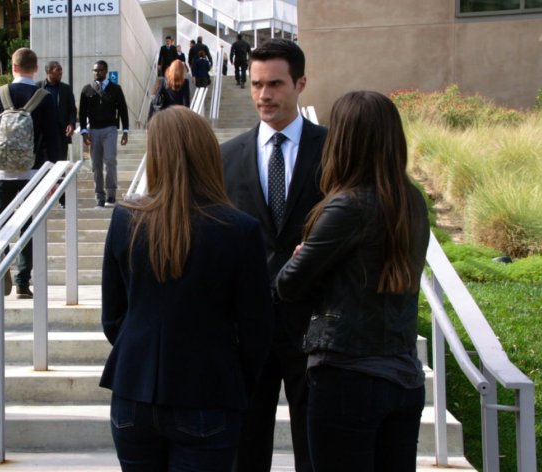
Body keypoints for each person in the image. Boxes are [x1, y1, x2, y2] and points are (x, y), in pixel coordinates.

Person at [100, 106, 273, 472]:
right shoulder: (240, 229)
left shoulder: (125, 219)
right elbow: (257, 329)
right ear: (208, 153)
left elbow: (113, 318)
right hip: (209, 390)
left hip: (134, 391)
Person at [275, 90, 429, 472]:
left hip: (347, 377)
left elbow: (288, 284)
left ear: (344, 140)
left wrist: (299, 256)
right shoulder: (412, 201)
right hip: (403, 375)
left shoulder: (349, 206)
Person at [220, 38, 326, 472]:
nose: (264, 95)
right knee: (247, 446)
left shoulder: (333, 150)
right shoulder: (227, 156)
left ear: (300, 83)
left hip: (314, 325)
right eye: (257, 84)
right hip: (247, 327)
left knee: (314, 444)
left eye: (276, 84)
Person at [0, 47, 61, 299]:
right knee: (28, 227)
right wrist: (55, 176)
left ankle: (1, 266)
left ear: (13, 67)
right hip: (33, 174)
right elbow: (54, 141)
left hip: (1, 173)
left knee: (1, 225)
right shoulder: (44, 98)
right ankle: (22, 282)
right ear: (35, 68)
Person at [79, 60, 129, 207]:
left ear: (106, 71)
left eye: (100, 70)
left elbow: (123, 110)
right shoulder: (86, 89)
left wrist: (125, 130)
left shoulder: (115, 89)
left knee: (110, 160)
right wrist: (83, 131)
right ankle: (99, 195)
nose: (97, 73)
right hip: (93, 130)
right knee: (96, 165)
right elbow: (82, 113)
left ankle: (111, 194)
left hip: (110, 130)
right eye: (95, 70)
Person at [37, 60, 77, 162]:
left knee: (60, 165)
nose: (61, 72)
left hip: (61, 136)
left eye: (61, 70)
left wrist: (71, 124)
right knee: (43, 167)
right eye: (58, 70)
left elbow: (72, 109)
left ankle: (61, 179)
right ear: (49, 71)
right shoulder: (37, 87)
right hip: (42, 136)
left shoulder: (66, 89)